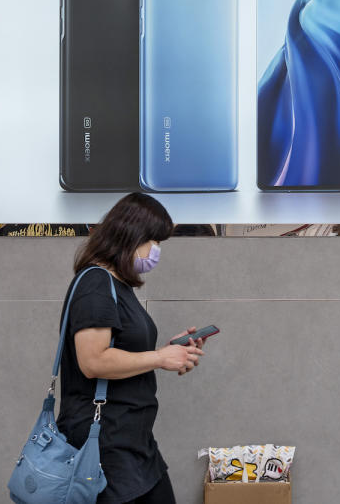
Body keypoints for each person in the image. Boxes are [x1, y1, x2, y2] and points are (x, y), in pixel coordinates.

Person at [56, 192, 206, 504]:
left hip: (132, 442)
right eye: (154, 240)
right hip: (106, 447)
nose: (157, 250)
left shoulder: (115, 285)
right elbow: (93, 360)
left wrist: (170, 351)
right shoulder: (95, 283)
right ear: (131, 235)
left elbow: (124, 349)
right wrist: (160, 357)